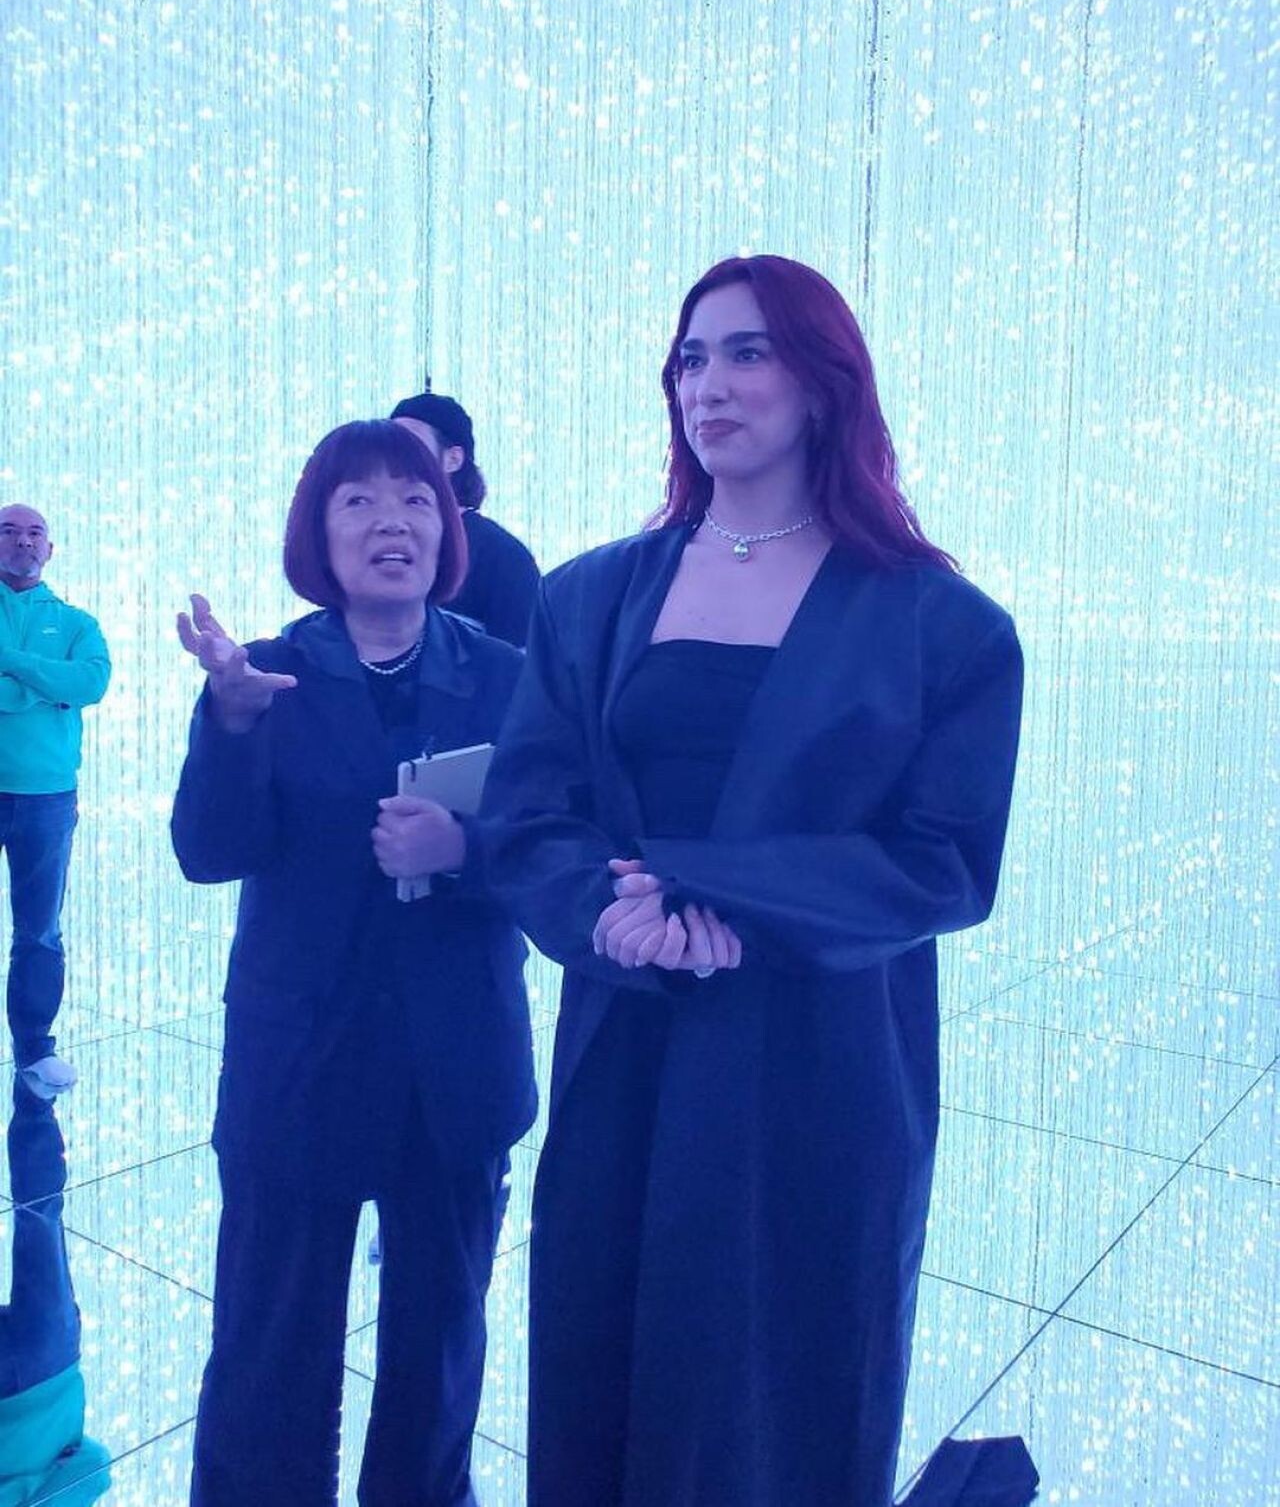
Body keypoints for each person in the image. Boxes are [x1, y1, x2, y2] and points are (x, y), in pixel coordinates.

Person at [479, 255, 1024, 1506]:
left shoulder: (943, 624)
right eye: (689, 358)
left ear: (824, 382)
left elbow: (943, 858)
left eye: (746, 352)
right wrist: (611, 914)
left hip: (820, 1057)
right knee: (603, 1348)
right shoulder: (591, 594)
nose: (707, 384)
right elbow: (527, 809)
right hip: (628, 1035)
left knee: (781, 1373)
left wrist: (716, 897)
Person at [171, 420, 535, 1507]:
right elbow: (208, 852)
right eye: (360, 501)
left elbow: (558, 846)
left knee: (438, 1342)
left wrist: (463, 851)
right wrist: (233, 724)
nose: (393, 522)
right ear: (318, 535)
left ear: (448, 526)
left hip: (457, 1058)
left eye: (417, 500)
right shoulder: (266, 673)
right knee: (269, 1337)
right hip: (301, 1054)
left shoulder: (510, 677)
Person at [0, 505, 110, 1102]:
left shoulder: (75, 622)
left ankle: (35, 1049)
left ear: (49, 549)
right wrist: (46, 689)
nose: (22, 541)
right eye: (8, 530)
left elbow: (89, 684)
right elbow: (64, 686)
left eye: (34, 533)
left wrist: (12, 664)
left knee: (39, 931)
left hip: (47, 796)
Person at [0, 1080, 112, 1506]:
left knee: (41, 1216)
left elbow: (94, 1463)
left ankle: (35, 1094)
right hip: (43, 1369)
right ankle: (35, 1090)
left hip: (47, 1370)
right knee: (39, 1218)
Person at [390, 389, 540, 646]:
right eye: (391, 444)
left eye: (411, 444)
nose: (396, 455)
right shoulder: (376, 539)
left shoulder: (501, 555)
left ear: (453, 459)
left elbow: (520, 661)